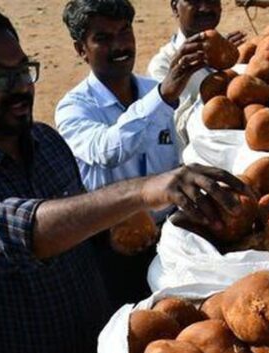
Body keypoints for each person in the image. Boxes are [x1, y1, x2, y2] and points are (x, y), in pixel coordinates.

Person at [0, 4, 247, 353]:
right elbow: (8, 233)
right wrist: (142, 192)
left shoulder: (44, 142)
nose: (21, 88)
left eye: (24, 70)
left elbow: (80, 225)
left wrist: (162, 227)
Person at [56, 0, 209, 304]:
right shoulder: (74, 109)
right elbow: (108, 150)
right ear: (80, 49)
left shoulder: (155, 91)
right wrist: (163, 96)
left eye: (125, 32)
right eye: (103, 38)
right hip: (112, 252)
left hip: (169, 240)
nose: (120, 45)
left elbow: (180, 157)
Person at [147, 0, 245, 149]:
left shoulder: (233, 52)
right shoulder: (162, 66)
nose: (205, 7)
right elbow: (172, 131)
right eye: (194, 1)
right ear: (175, 8)